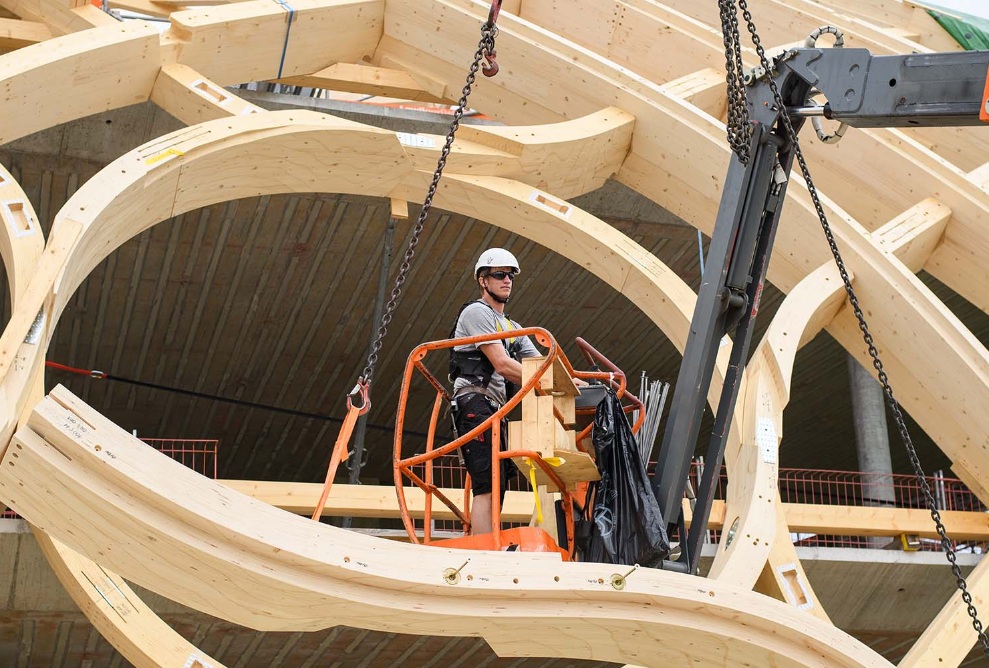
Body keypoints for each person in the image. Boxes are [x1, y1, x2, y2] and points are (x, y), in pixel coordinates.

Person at [449, 248, 540, 534]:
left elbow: (541, 365)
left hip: (494, 411)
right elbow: (502, 364)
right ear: (482, 280)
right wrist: (547, 380)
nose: (507, 280)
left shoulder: (513, 327)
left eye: (510, 275)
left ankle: (487, 540)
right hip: (474, 402)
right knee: (487, 484)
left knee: (498, 482)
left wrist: (573, 382)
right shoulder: (476, 313)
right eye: (499, 275)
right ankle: (483, 547)